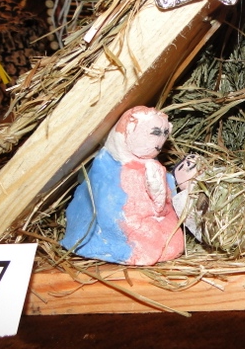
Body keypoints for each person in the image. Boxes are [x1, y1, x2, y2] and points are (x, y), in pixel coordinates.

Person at [62, 106, 184, 265]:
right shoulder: (107, 167)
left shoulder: (154, 166)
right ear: (129, 130)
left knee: (173, 241)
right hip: (124, 220)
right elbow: (109, 208)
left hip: (157, 218)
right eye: (154, 133)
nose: (159, 142)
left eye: (164, 134)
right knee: (143, 242)